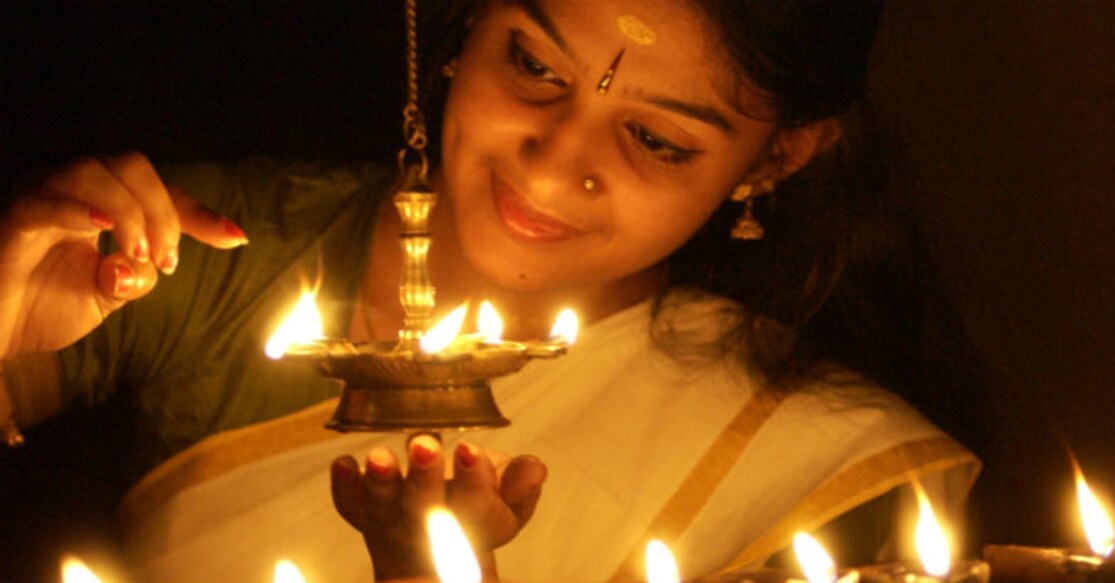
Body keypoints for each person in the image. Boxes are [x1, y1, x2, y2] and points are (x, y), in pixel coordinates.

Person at [0, 0, 985, 581]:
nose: (554, 162)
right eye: (530, 64)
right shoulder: (207, 250)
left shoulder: (819, 473)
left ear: (775, 159)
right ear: (467, 26)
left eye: (655, 139)